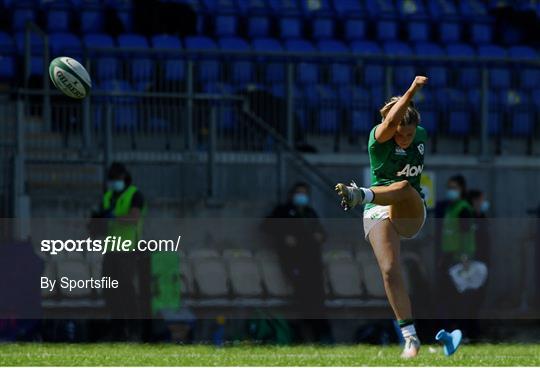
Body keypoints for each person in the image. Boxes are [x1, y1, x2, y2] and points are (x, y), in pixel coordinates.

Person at [335, 76, 428, 358]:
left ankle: (359, 194)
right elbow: (390, 124)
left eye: (408, 134)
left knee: (402, 187)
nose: (404, 138)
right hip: (378, 209)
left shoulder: (420, 134)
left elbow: (406, 123)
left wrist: (410, 98)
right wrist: (411, 90)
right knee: (389, 269)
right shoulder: (378, 138)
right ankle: (410, 338)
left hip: (409, 208)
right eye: (399, 133)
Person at [263, 182, 330, 343]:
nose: (301, 197)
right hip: (295, 261)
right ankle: (304, 334)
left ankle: (320, 334)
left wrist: (320, 236)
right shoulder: (283, 211)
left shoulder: (310, 212)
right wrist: (284, 236)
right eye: (298, 193)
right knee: (304, 296)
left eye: (304, 193)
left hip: (313, 261)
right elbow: (267, 226)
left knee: (317, 297)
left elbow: (321, 231)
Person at [94, 162, 148, 340]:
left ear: (124, 177)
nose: (113, 182)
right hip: (110, 250)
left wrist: (113, 217)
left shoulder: (135, 195)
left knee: (126, 289)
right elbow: (102, 225)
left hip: (127, 250)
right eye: (111, 179)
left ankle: (134, 329)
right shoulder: (108, 196)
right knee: (110, 290)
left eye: (116, 178)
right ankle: (118, 330)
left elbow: (134, 218)